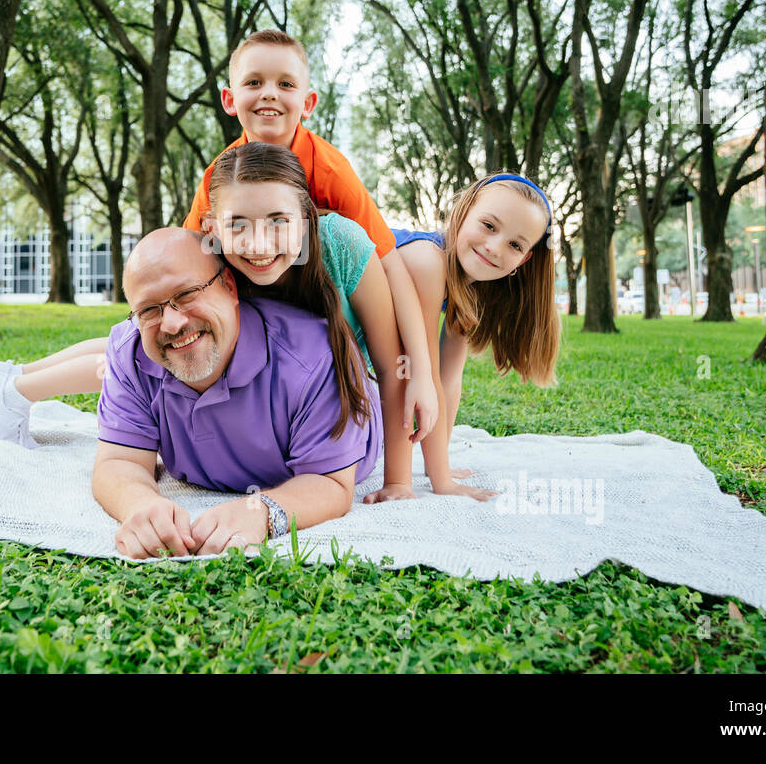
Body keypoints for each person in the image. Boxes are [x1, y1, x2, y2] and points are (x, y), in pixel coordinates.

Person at [0, 29, 438, 444]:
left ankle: (13, 381)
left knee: (151, 346)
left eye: (285, 84)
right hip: (244, 285)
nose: (269, 95)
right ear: (229, 98)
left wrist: (418, 368)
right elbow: (189, 249)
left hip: (296, 280)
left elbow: (388, 259)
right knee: (140, 348)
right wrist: (171, 308)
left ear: (309, 101)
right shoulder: (224, 175)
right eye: (254, 82)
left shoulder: (329, 169)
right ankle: (18, 383)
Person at [204, 141, 487, 499]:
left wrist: (398, 481)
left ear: (305, 220)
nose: (259, 246)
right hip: (260, 425)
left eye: (278, 221)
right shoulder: (212, 264)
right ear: (212, 229)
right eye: (238, 225)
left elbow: (389, 366)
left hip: (341, 413)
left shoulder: (342, 245)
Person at [90, 227, 383, 559]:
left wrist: (261, 510)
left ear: (229, 286)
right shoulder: (129, 352)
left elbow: (331, 484)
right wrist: (140, 504)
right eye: (149, 310)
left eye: (186, 294)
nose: (171, 323)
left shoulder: (317, 356)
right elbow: (118, 460)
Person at [363, 173, 562, 504]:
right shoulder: (427, 261)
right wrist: (426, 483)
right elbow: (412, 371)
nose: (494, 247)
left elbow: (448, 379)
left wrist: (438, 465)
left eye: (515, 245)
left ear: (524, 260)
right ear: (463, 211)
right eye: (488, 225)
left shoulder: (471, 287)